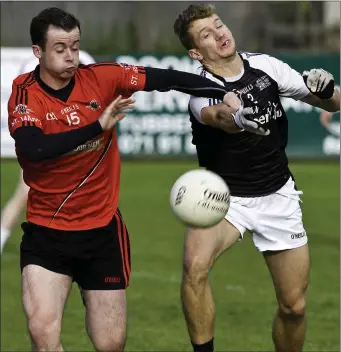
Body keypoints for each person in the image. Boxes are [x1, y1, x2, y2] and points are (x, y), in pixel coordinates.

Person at [7, 7, 267, 352]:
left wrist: (225, 92)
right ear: (38, 52)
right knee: (43, 334)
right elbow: (34, 147)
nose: (71, 57)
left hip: (100, 234)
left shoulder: (102, 77)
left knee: (111, 344)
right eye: (60, 49)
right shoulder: (25, 93)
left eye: (75, 46)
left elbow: (167, 79)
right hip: (46, 233)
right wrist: (97, 126)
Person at [173, 4, 340, 352]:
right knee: (194, 266)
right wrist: (235, 120)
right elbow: (216, 114)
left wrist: (327, 91)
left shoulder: (266, 66)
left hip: (278, 194)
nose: (220, 33)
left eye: (219, 25)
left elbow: (332, 105)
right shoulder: (200, 87)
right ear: (195, 52)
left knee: (294, 307)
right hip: (223, 198)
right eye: (207, 34)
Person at [1, 52, 96, 255]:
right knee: (25, 193)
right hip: (44, 145)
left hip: (67, 149)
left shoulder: (82, 68)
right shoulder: (34, 86)